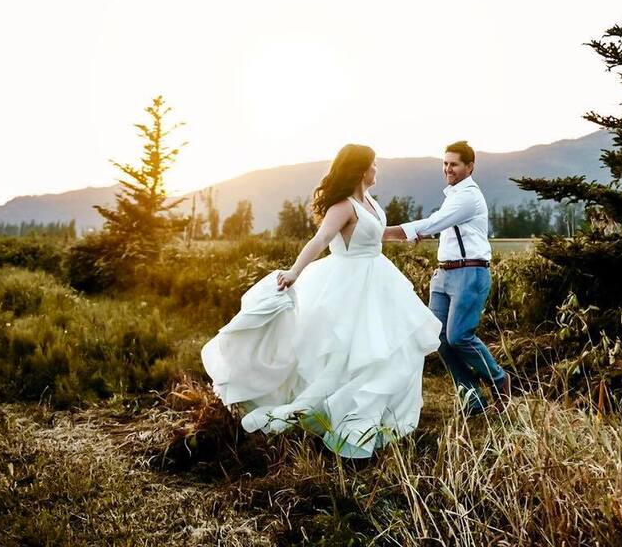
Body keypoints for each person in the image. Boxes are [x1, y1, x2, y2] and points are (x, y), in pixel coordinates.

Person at [201, 144, 441, 458]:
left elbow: (378, 233)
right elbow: (320, 240)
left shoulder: (366, 200)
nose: (376, 169)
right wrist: (294, 272)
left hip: (378, 280)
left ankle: (377, 420)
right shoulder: (342, 206)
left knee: (389, 350)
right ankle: (341, 420)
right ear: (360, 169)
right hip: (348, 283)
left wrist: (410, 233)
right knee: (349, 353)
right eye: (373, 164)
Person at [385, 140, 512, 415]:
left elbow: (433, 224)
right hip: (444, 274)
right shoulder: (453, 195)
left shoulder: (468, 197)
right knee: (437, 338)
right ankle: (472, 397)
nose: (448, 169)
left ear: (470, 167)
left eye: (453, 164)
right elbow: (440, 227)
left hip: (470, 272)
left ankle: (499, 379)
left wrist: (382, 233)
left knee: (458, 336)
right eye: (445, 163)